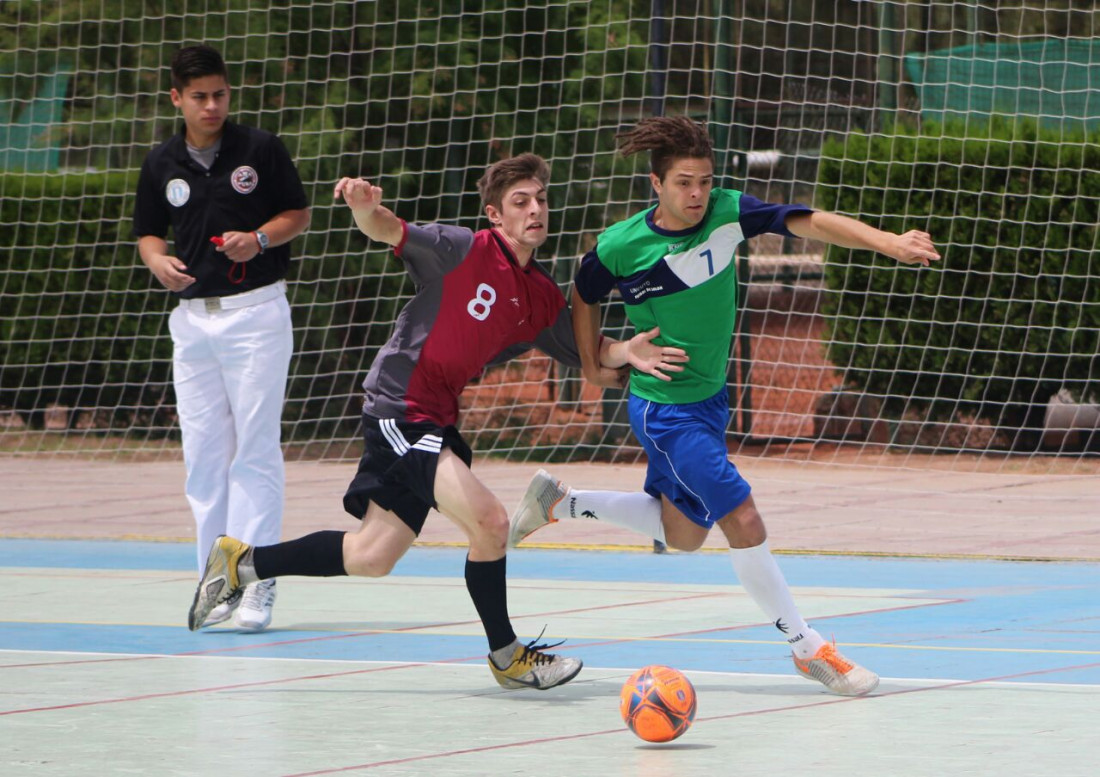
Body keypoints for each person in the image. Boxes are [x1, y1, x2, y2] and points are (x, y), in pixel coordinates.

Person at [187, 153, 685, 689]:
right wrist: (363, 208)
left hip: (435, 415)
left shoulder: (538, 295)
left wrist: (627, 350)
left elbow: (588, 349)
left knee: (371, 555)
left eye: (541, 199)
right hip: (401, 404)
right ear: (496, 215)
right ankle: (507, 656)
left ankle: (241, 561)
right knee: (491, 522)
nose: (535, 209)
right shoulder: (461, 248)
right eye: (521, 201)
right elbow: (388, 229)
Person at [509, 115, 941, 696]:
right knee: (743, 516)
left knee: (684, 536)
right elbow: (581, 295)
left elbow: (805, 219)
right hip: (665, 410)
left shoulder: (727, 213)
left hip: (711, 400)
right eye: (684, 182)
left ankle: (563, 502)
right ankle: (807, 648)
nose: (696, 195)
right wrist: (594, 364)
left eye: (705, 182)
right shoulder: (621, 245)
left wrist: (888, 242)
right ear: (656, 185)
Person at [133, 45, 311, 631]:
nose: (212, 105)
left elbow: (296, 214)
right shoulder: (161, 162)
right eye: (199, 96)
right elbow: (148, 235)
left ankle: (256, 581)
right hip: (191, 322)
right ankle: (216, 581)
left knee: (254, 452)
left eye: (220, 94)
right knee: (204, 459)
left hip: (256, 314)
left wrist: (257, 239)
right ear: (177, 98)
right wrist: (157, 262)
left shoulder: (259, 149)